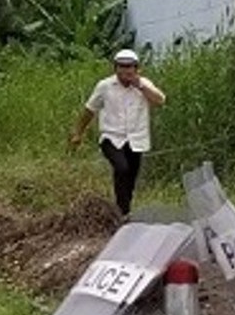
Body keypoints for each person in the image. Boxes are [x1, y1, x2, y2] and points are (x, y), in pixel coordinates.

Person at [69, 48, 166, 216]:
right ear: (115, 68)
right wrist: (78, 133)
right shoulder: (105, 86)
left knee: (131, 177)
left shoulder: (144, 84)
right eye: (121, 66)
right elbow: (89, 110)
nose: (126, 71)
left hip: (136, 140)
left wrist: (140, 86)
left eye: (130, 67)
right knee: (121, 168)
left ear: (137, 69)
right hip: (111, 137)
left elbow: (160, 100)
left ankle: (123, 210)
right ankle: (123, 213)